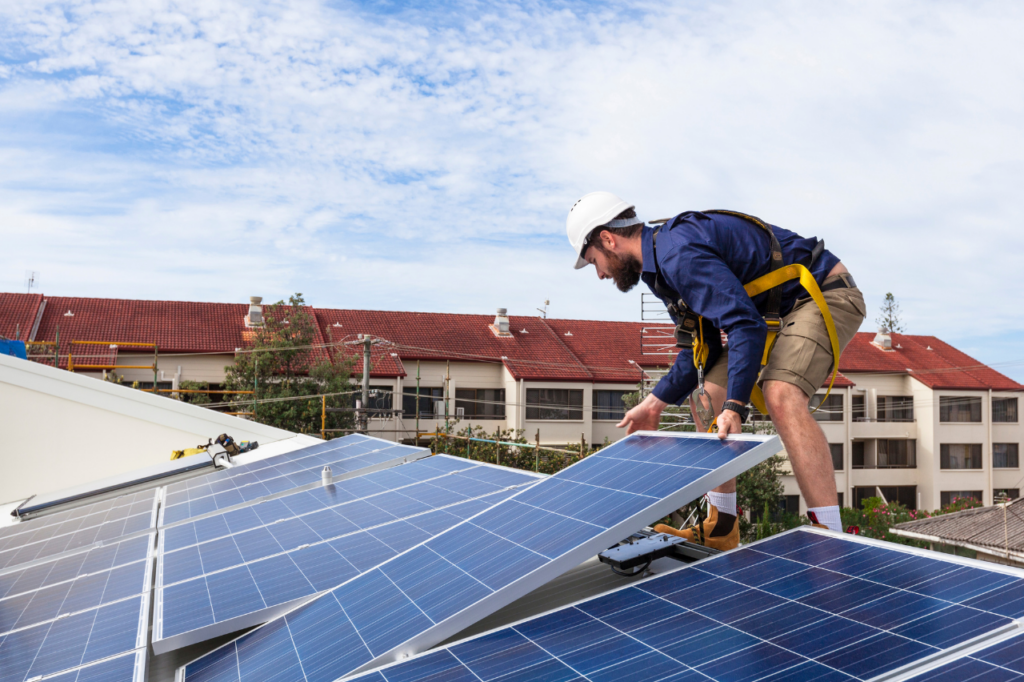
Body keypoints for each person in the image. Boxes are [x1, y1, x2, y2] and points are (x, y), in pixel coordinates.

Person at [566, 192, 866, 550]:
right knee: (707, 398)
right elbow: (701, 347)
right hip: (769, 313)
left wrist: (735, 406)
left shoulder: (678, 253)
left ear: (608, 239)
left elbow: (744, 325)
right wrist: (654, 403)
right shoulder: (659, 269)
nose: (600, 274)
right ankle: (721, 528)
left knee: (780, 394)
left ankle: (830, 539)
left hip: (822, 293)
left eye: (594, 261)